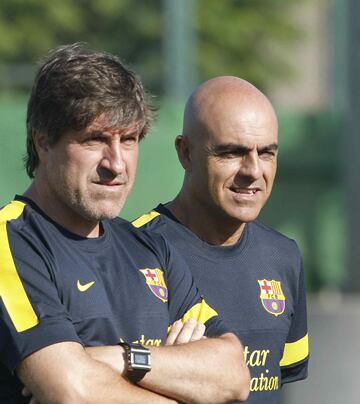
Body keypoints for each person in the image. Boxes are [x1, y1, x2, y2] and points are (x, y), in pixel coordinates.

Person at [0, 44, 250, 403]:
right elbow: (74, 391)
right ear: (44, 143)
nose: (116, 164)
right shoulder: (13, 243)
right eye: (95, 140)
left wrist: (122, 359)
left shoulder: (148, 248)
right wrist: (180, 378)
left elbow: (234, 373)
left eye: (129, 140)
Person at [133, 76, 308, 402]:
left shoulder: (283, 257)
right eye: (232, 152)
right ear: (186, 153)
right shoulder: (135, 254)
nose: (253, 171)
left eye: (267, 153)